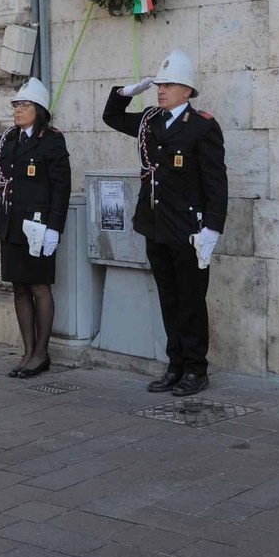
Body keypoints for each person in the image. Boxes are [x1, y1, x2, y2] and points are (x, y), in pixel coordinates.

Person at [103, 49, 228, 397]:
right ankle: (175, 366)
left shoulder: (202, 126)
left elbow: (216, 181)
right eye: (160, 84)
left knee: (190, 300)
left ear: (187, 91)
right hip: (155, 225)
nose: (161, 90)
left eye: (170, 85)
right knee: (168, 298)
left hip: (188, 229)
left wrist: (212, 229)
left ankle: (196, 369)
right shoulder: (149, 121)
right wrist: (126, 93)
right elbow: (111, 117)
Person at [0, 77, 71, 378]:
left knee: (40, 286)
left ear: (39, 109)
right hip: (12, 224)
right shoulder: (9, 140)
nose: (18, 110)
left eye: (24, 105)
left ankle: (41, 353)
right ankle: (27, 351)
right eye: (16, 105)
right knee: (19, 288)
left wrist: (55, 227)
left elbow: (61, 187)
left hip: (38, 227)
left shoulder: (51, 140)